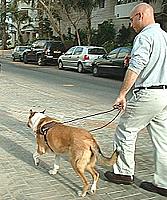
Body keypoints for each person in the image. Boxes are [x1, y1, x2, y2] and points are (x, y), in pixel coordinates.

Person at [104, 3, 167, 197]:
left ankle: (123, 172)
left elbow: (137, 67)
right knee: (163, 140)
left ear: (140, 16)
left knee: (125, 129)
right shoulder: (164, 36)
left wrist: (122, 94)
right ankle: (163, 183)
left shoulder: (144, 36)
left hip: (148, 93)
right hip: (164, 94)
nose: (131, 25)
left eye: (132, 20)